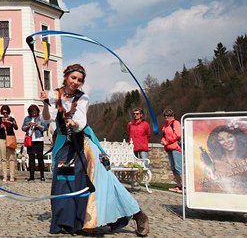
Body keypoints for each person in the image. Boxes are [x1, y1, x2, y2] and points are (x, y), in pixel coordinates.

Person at [41, 64, 149, 236]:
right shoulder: (53, 94)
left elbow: (81, 121)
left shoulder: (83, 98)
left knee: (104, 179)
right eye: (73, 78)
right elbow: (46, 120)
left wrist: (73, 123)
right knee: (65, 181)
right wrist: (46, 104)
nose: (76, 82)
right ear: (66, 76)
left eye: (79, 80)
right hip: (63, 144)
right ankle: (67, 221)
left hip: (83, 143)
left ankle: (137, 214)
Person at [199, 124, 247, 194]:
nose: (226, 141)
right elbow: (204, 189)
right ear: (217, 143)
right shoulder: (212, 163)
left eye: (230, 137)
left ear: (237, 138)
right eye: (221, 139)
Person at [22, 104, 48, 181]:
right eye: (32, 112)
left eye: (35, 112)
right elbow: (23, 128)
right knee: (31, 158)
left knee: (40, 158)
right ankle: (31, 176)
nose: (34, 113)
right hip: (30, 140)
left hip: (39, 139)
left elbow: (45, 127)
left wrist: (38, 125)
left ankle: (42, 176)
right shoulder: (27, 118)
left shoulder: (41, 118)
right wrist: (28, 126)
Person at [160, 108, 183, 193]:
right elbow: (164, 135)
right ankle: (179, 185)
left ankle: (184, 186)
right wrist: (163, 140)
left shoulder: (176, 123)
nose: (166, 117)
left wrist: (167, 141)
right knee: (173, 168)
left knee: (178, 167)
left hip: (176, 148)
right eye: (165, 116)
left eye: (169, 115)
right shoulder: (165, 125)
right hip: (168, 148)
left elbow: (177, 134)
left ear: (172, 116)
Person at [0, 105, 18, 182]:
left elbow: (16, 127)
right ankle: (5, 176)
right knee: (3, 159)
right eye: (3, 113)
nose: (5, 114)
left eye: (6, 112)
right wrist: (1, 126)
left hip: (10, 138)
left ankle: (12, 176)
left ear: (8, 112)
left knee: (11, 158)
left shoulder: (12, 119)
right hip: (2, 139)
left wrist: (10, 123)